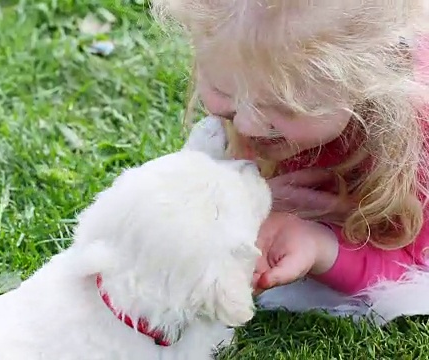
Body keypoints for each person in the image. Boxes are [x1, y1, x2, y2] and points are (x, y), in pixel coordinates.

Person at [152, 0, 429, 298]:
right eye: (222, 89)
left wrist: (320, 246)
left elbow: (416, 272)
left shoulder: (416, 138)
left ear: (373, 78)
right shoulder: (242, 51)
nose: (247, 126)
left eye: (286, 108)